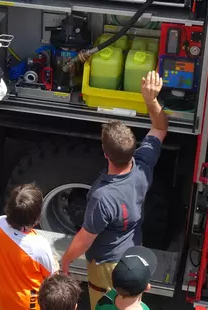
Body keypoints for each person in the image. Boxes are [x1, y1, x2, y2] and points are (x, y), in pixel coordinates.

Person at [61, 70, 168, 309]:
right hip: (132, 257)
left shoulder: (102, 196)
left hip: (107, 266)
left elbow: (85, 239)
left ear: (105, 153)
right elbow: (160, 129)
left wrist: (66, 260)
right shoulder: (143, 166)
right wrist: (151, 101)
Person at [0, 183, 59, 310]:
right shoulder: (38, 246)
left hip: (4, 298)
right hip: (30, 305)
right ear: (37, 218)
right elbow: (52, 277)